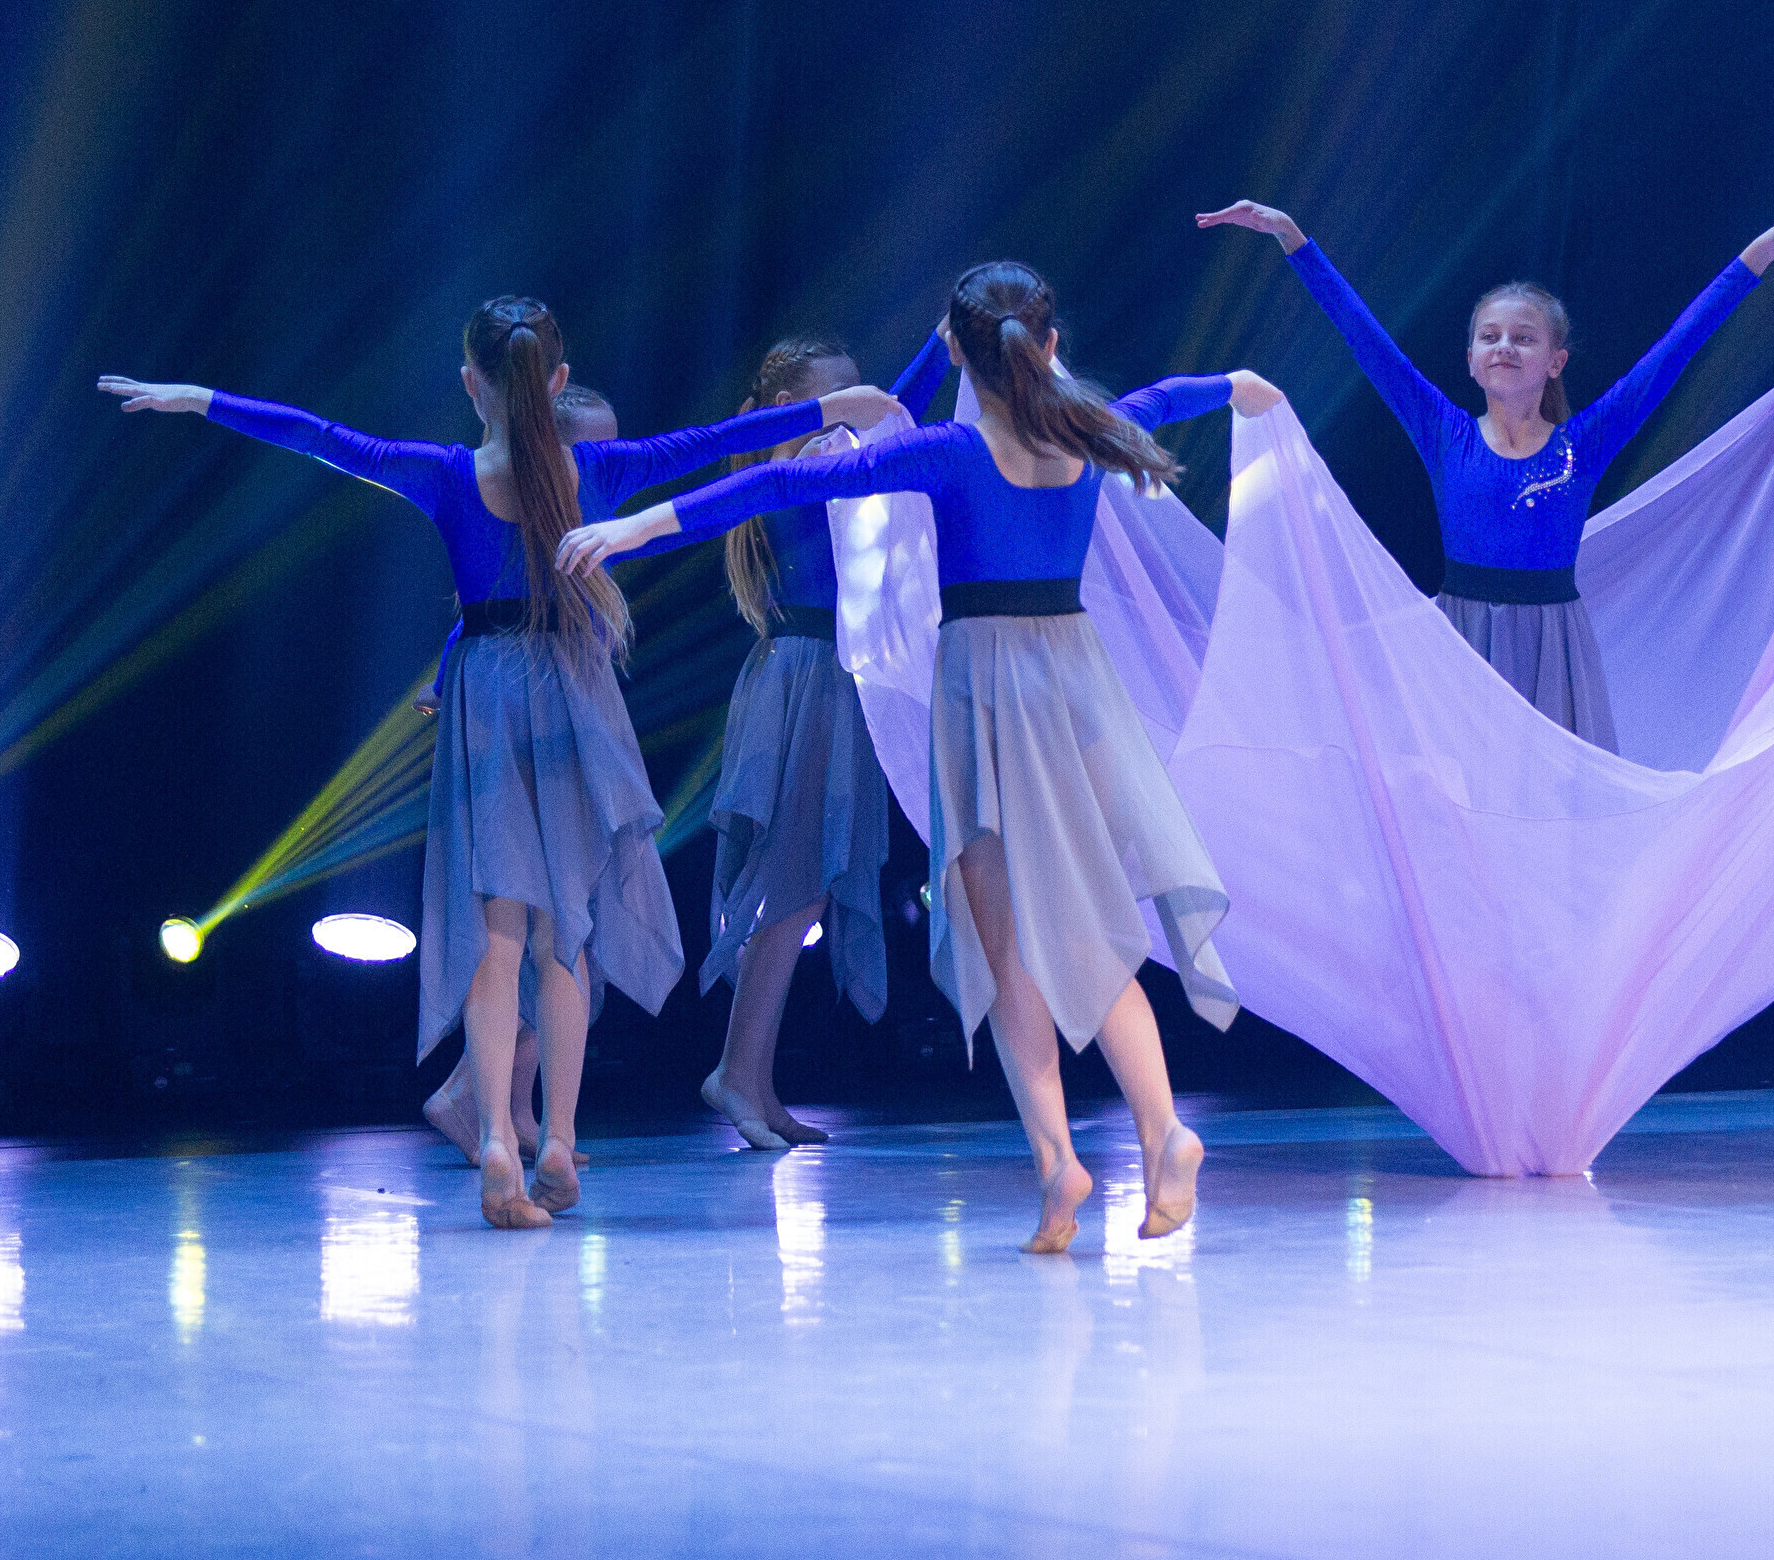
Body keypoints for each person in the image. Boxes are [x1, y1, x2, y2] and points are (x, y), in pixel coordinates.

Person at [100, 299, 904, 1228]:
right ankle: (555, 1138)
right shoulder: (601, 468)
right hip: (570, 698)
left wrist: (198, 398)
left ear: (471, 384)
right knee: (567, 929)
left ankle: (494, 1139)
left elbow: (320, 437)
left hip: (486, 696)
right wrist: (843, 408)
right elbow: (728, 438)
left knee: (500, 933)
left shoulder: (446, 474)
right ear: (556, 384)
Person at [562, 263, 1267, 1251]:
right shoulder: (1090, 428)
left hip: (988, 691)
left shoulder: (950, 452)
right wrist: (1238, 385)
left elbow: (786, 478)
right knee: (1085, 925)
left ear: (958, 356)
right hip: (1074, 685)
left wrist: (641, 522)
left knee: (1006, 944)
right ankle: (1156, 1132)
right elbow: (1174, 393)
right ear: (1049, 345)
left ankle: (1062, 1160)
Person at [1196, 199, 1774, 748]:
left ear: (1555, 361)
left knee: (1544, 799)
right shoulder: (1442, 431)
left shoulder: (1584, 443)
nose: (1504, 346)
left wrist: (1761, 255)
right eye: (1490, 337)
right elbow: (1363, 337)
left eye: (1524, 338)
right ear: (1471, 360)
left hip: (1553, 648)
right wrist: (1292, 238)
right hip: (1459, 639)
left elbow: (1679, 345)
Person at [686, 327, 949, 1150]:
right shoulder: (799, 465)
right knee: (795, 883)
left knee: (803, 885)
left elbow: (889, 417)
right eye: (839, 397)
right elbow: (895, 413)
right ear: (787, 408)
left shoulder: (823, 461)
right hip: (807, 678)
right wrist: (938, 350)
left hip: (819, 673)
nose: (857, 408)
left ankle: (754, 1080)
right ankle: (737, 1073)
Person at [416, 380, 623, 1168]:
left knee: (560, 930)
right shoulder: (526, 511)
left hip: (561, 727)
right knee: (543, 927)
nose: (602, 462)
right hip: (528, 729)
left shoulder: (586, 521)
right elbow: (482, 616)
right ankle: (482, 1102)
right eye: (591, 449)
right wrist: (446, 680)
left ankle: (509, 1109)